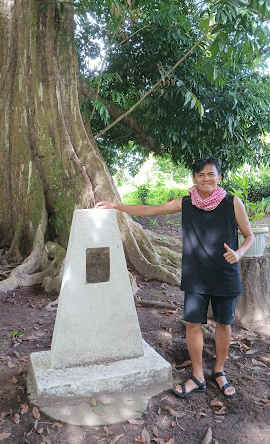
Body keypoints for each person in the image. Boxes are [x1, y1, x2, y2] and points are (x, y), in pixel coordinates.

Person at [96, 157, 254, 398]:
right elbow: (151, 210)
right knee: (193, 324)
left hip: (225, 274)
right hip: (196, 275)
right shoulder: (186, 202)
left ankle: (219, 371)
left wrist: (239, 253)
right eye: (200, 175)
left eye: (211, 174)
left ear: (219, 177)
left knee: (224, 324)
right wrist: (117, 207)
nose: (205, 178)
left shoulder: (233, 203)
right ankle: (198, 376)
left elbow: (249, 237)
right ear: (194, 179)